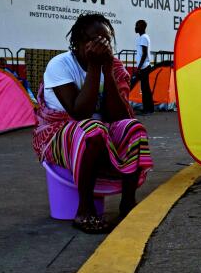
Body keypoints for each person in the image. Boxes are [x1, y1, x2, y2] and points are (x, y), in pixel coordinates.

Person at [33, 13, 153, 233]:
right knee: (93, 129)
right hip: (59, 135)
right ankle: (84, 210)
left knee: (133, 128)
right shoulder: (59, 65)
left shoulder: (113, 67)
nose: (100, 45)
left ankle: (127, 204)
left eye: (105, 40)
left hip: (99, 135)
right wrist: (95, 67)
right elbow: (80, 112)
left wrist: (106, 70)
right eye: (93, 40)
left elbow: (118, 115)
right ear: (77, 43)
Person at [135, 19, 153, 114]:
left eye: (137, 25)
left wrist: (139, 68)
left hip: (144, 67)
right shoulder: (142, 37)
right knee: (145, 88)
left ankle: (148, 109)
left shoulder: (144, 38)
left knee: (145, 88)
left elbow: (144, 54)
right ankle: (148, 108)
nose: (135, 27)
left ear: (142, 27)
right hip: (143, 66)